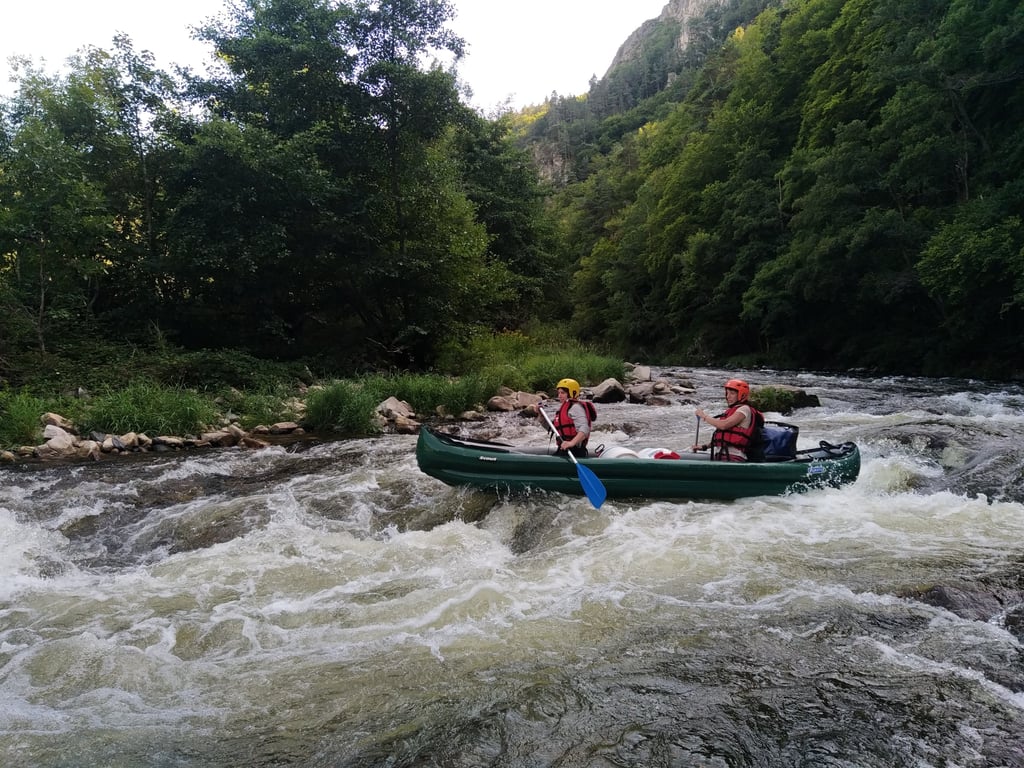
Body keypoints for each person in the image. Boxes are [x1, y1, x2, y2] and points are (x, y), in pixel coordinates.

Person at [692, 378, 763, 462]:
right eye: (727, 393)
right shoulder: (731, 411)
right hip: (722, 455)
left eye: (732, 393)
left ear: (742, 395)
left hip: (734, 457)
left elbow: (723, 425)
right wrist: (704, 447)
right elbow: (723, 438)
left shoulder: (744, 409)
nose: (728, 396)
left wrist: (704, 416)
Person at [537, 378, 595, 458]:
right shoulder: (564, 408)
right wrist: (541, 415)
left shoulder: (576, 408)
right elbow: (553, 429)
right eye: (559, 393)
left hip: (575, 453)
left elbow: (585, 429)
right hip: (564, 450)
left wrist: (571, 443)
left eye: (562, 393)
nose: (559, 396)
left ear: (572, 393)